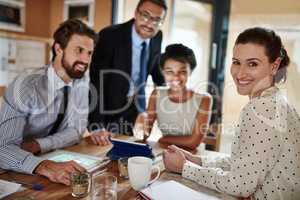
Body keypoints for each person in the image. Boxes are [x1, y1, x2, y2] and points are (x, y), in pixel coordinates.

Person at [163, 27, 300, 199]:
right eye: (236, 62)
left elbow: (239, 185)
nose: (240, 73)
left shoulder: (262, 109)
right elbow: (245, 163)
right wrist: (196, 160)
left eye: (252, 64)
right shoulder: (277, 101)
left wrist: (184, 168)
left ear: (274, 66)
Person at [0, 19, 97, 185]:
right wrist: (44, 166)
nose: (85, 60)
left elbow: (76, 131)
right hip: (14, 172)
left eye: (89, 53)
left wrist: (39, 144)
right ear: (58, 49)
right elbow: (3, 149)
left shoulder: (81, 82)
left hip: (50, 163)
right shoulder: (26, 86)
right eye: (79, 50)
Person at [88, 0, 167, 146]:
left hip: (134, 110)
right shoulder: (110, 36)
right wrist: (96, 125)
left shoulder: (157, 37)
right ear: (136, 13)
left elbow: (155, 67)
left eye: (157, 20)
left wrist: (168, 91)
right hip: (107, 108)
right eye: (145, 16)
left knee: (126, 152)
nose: (150, 24)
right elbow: (95, 81)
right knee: (101, 150)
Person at [134, 44, 212, 150]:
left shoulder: (204, 99)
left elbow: (193, 142)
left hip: (192, 157)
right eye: (169, 71)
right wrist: (140, 126)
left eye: (182, 71)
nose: (175, 77)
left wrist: (164, 139)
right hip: (164, 152)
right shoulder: (156, 94)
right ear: (163, 72)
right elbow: (145, 132)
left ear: (190, 71)